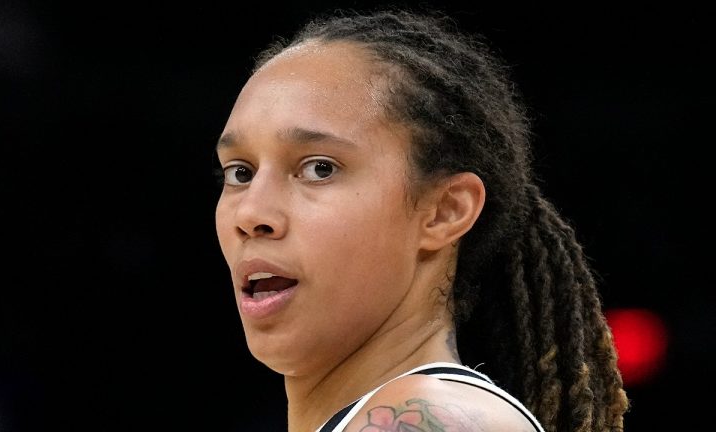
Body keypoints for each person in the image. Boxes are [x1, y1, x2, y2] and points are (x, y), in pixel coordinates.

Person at [213, 7, 629, 432]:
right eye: (239, 173)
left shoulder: (440, 420)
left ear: (445, 212)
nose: (250, 213)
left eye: (319, 168)